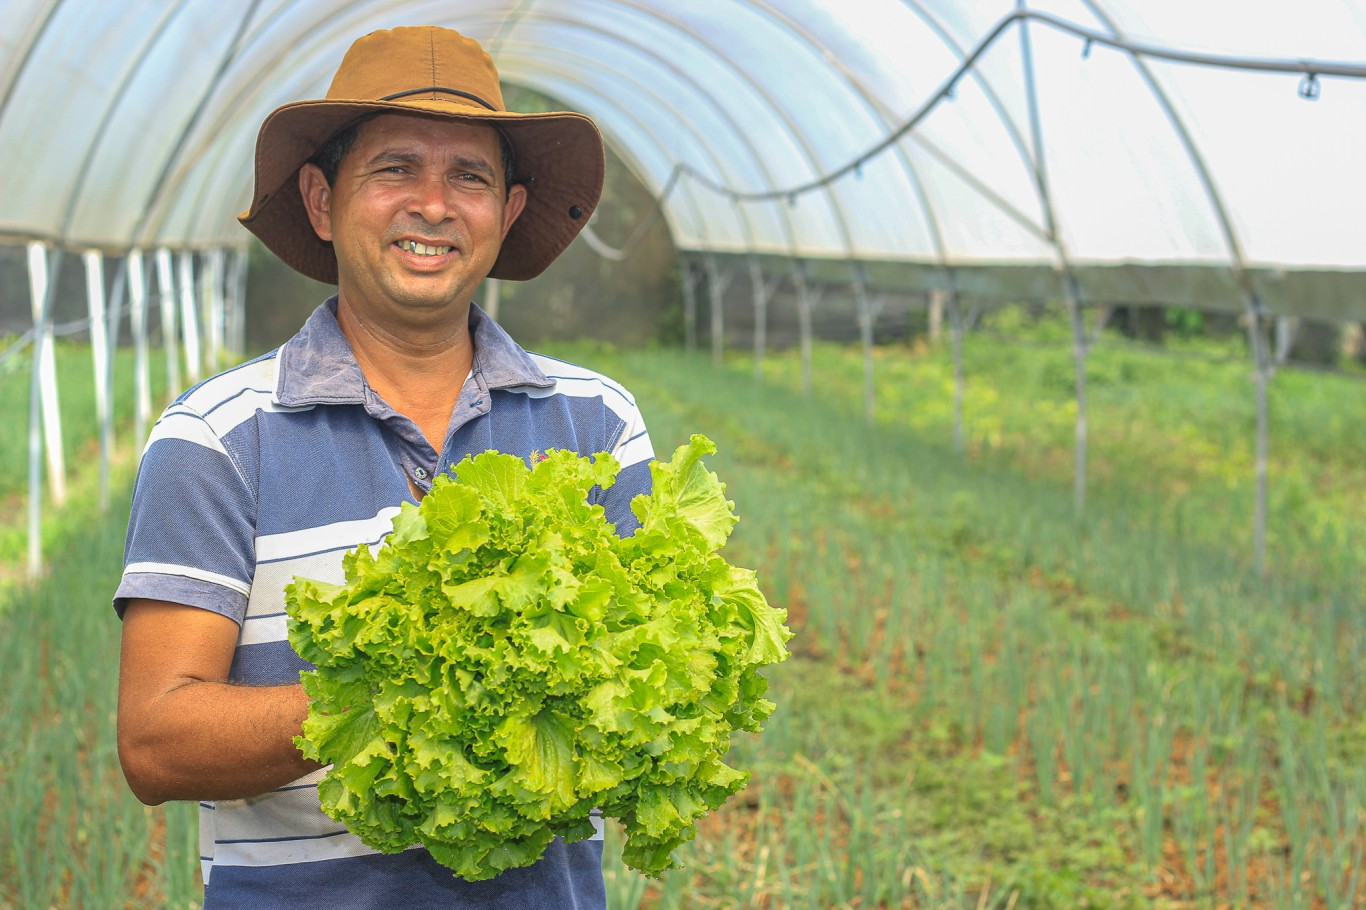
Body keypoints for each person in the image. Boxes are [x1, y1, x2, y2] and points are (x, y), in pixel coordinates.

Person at [114, 25, 652, 909]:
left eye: (469, 176)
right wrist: (395, 688)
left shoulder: (597, 421)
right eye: (396, 168)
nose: (434, 205)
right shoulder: (217, 436)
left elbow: (648, 686)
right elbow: (156, 741)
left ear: (509, 212)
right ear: (323, 202)